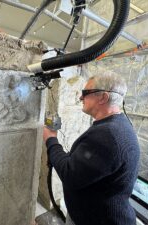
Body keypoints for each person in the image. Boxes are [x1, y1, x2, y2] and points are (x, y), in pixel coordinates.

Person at [43, 71, 140, 225]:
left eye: (85, 93)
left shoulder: (108, 135)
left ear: (103, 97)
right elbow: (87, 166)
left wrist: (51, 139)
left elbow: (69, 174)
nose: (81, 97)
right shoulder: (116, 125)